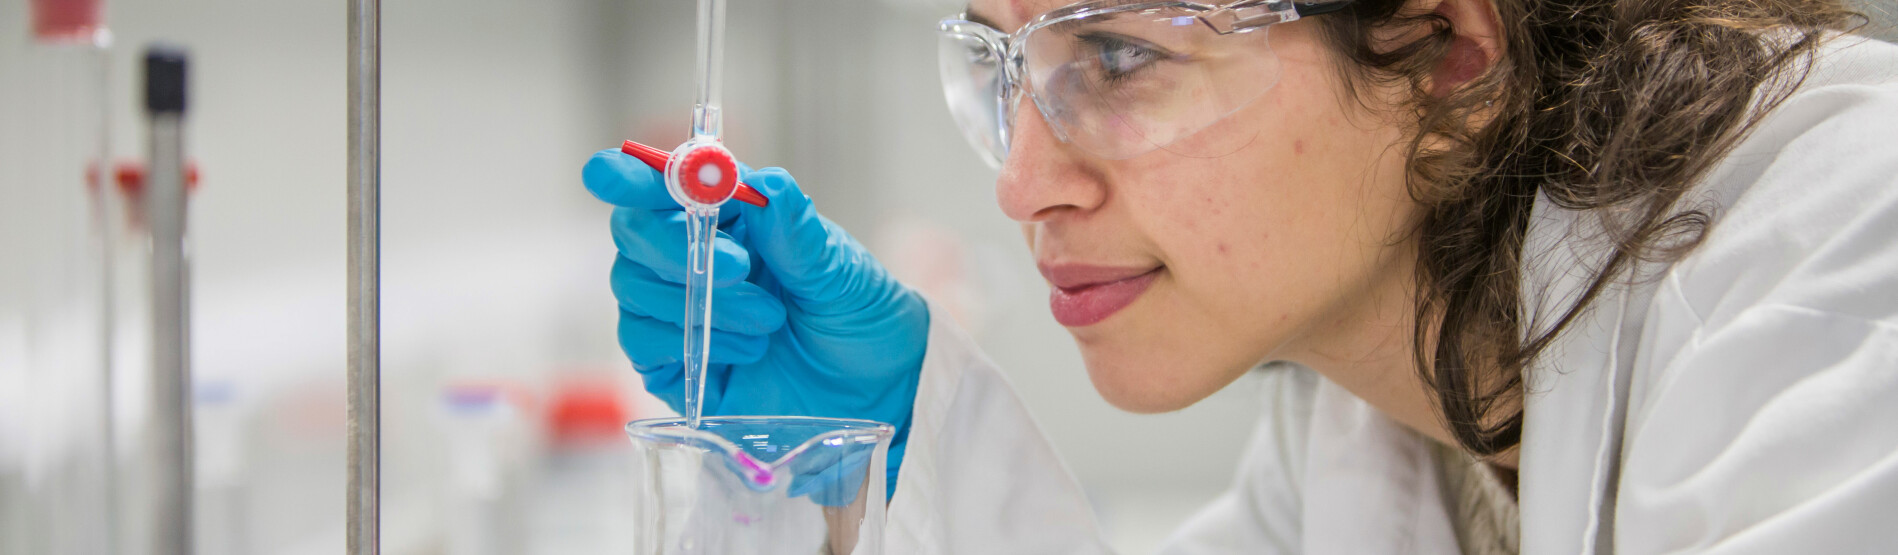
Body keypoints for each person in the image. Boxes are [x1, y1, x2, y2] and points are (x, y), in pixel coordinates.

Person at [582, 0, 1898, 551]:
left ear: (1444, 46)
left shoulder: (1851, 259)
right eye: (1002, 70)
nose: (1023, 183)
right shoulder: (1358, 429)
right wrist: (869, 462)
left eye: (1115, 58)